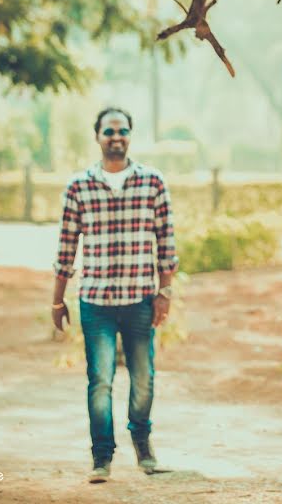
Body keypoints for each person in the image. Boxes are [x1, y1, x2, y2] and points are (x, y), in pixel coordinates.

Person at [51, 107, 179, 483]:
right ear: (97, 137)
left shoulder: (152, 182)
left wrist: (165, 292)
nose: (116, 137)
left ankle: (143, 444)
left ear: (130, 135)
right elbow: (65, 248)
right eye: (109, 131)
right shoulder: (79, 186)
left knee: (144, 378)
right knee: (101, 381)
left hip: (140, 299)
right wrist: (57, 301)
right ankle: (101, 458)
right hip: (96, 304)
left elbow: (166, 243)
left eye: (122, 130)